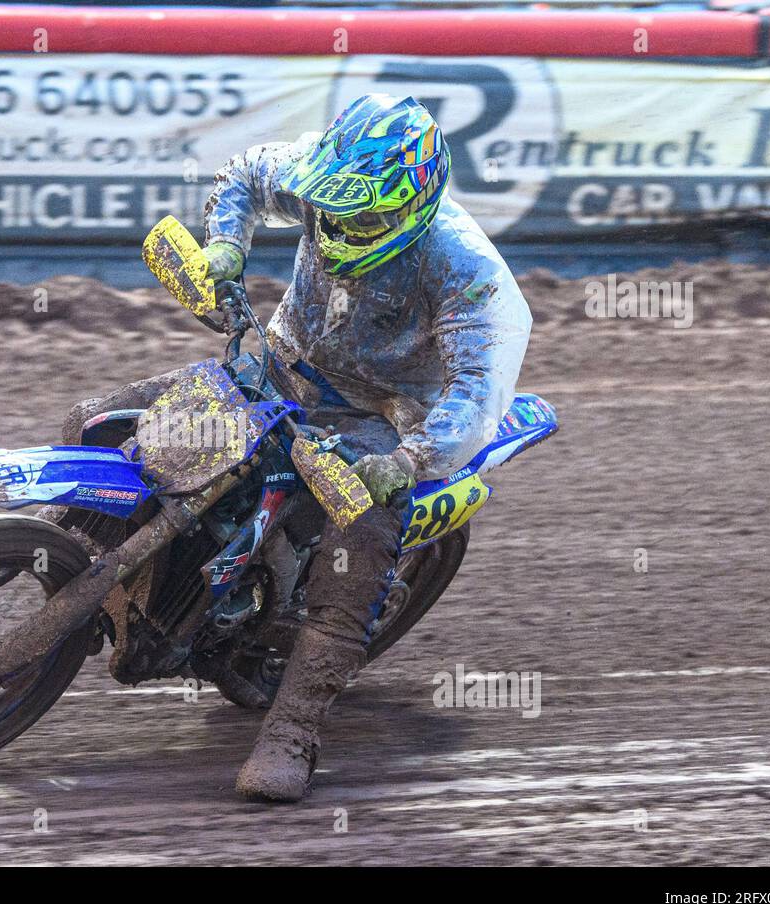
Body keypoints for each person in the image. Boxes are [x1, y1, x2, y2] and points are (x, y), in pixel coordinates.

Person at [65, 93, 532, 801]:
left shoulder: (470, 275)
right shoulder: (322, 178)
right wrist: (228, 241)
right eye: (333, 210)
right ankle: (92, 569)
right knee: (98, 420)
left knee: (359, 546)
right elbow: (249, 174)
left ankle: (294, 732)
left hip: (381, 415)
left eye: (363, 217)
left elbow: (476, 396)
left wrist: (403, 463)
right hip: (280, 360)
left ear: (413, 207)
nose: (340, 225)